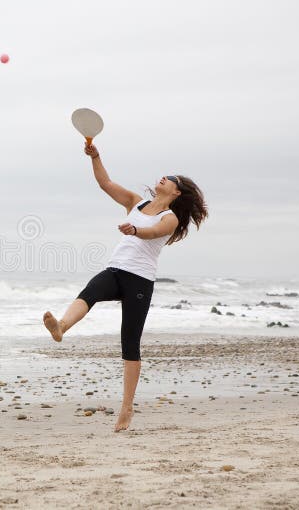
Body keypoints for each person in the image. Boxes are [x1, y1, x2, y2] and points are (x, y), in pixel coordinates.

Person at [42, 142, 208, 432]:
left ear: (176, 192)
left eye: (170, 179)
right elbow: (105, 182)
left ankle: (127, 408)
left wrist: (135, 230)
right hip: (116, 269)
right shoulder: (136, 202)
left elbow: (153, 232)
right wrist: (96, 157)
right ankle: (61, 327)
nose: (163, 178)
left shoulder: (169, 218)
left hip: (139, 280)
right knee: (89, 293)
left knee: (129, 344)